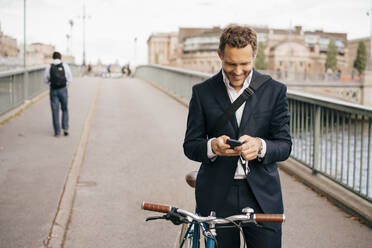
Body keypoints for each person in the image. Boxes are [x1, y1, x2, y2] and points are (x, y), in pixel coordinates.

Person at [183, 25, 292, 248]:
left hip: (262, 196)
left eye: (245, 64)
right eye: (231, 63)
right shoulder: (202, 92)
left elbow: (284, 145)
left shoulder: (275, 91)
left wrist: (260, 147)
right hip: (217, 195)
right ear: (220, 55)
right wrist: (212, 147)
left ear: (254, 56)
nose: (238, 71)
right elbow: (190, 145)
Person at [44, 51, 72, 137]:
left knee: (55, 110)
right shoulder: (65, 66)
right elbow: (70, 79)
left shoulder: (49, 66)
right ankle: (65, 128)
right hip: (63, 89)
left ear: (53, 58)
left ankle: (57, 132)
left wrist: (51, 84)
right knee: (64, 109)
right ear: (60, 58)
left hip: (53, 90)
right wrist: (64, 85)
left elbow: (45, 79)